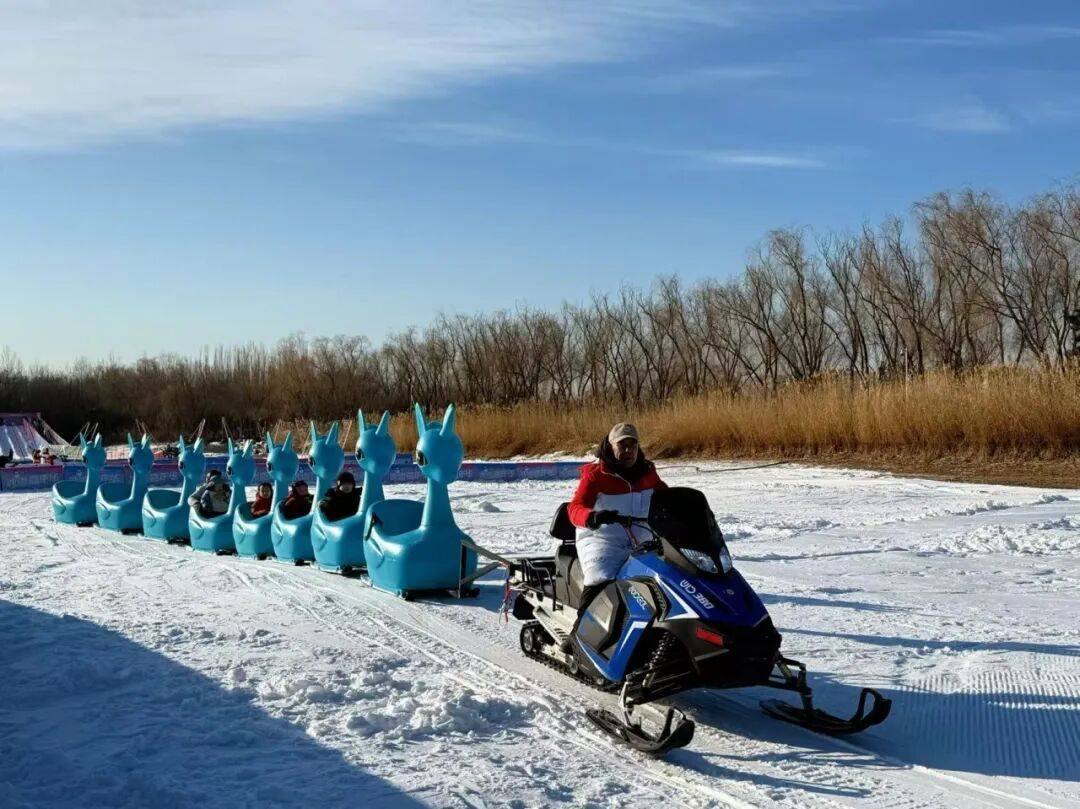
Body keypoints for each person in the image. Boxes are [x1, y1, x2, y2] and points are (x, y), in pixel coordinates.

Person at [565, 423, 667, 645]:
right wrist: (592, 517)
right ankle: (579, 636)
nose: (628, 450)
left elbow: (665, 495)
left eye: (633, 445)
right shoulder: (596, 475)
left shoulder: (647, 472)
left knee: (665, 572)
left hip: (641, 535)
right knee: (602, 574)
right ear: (611, 447)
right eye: (622, 445)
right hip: (602, 537)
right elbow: (574, 508)